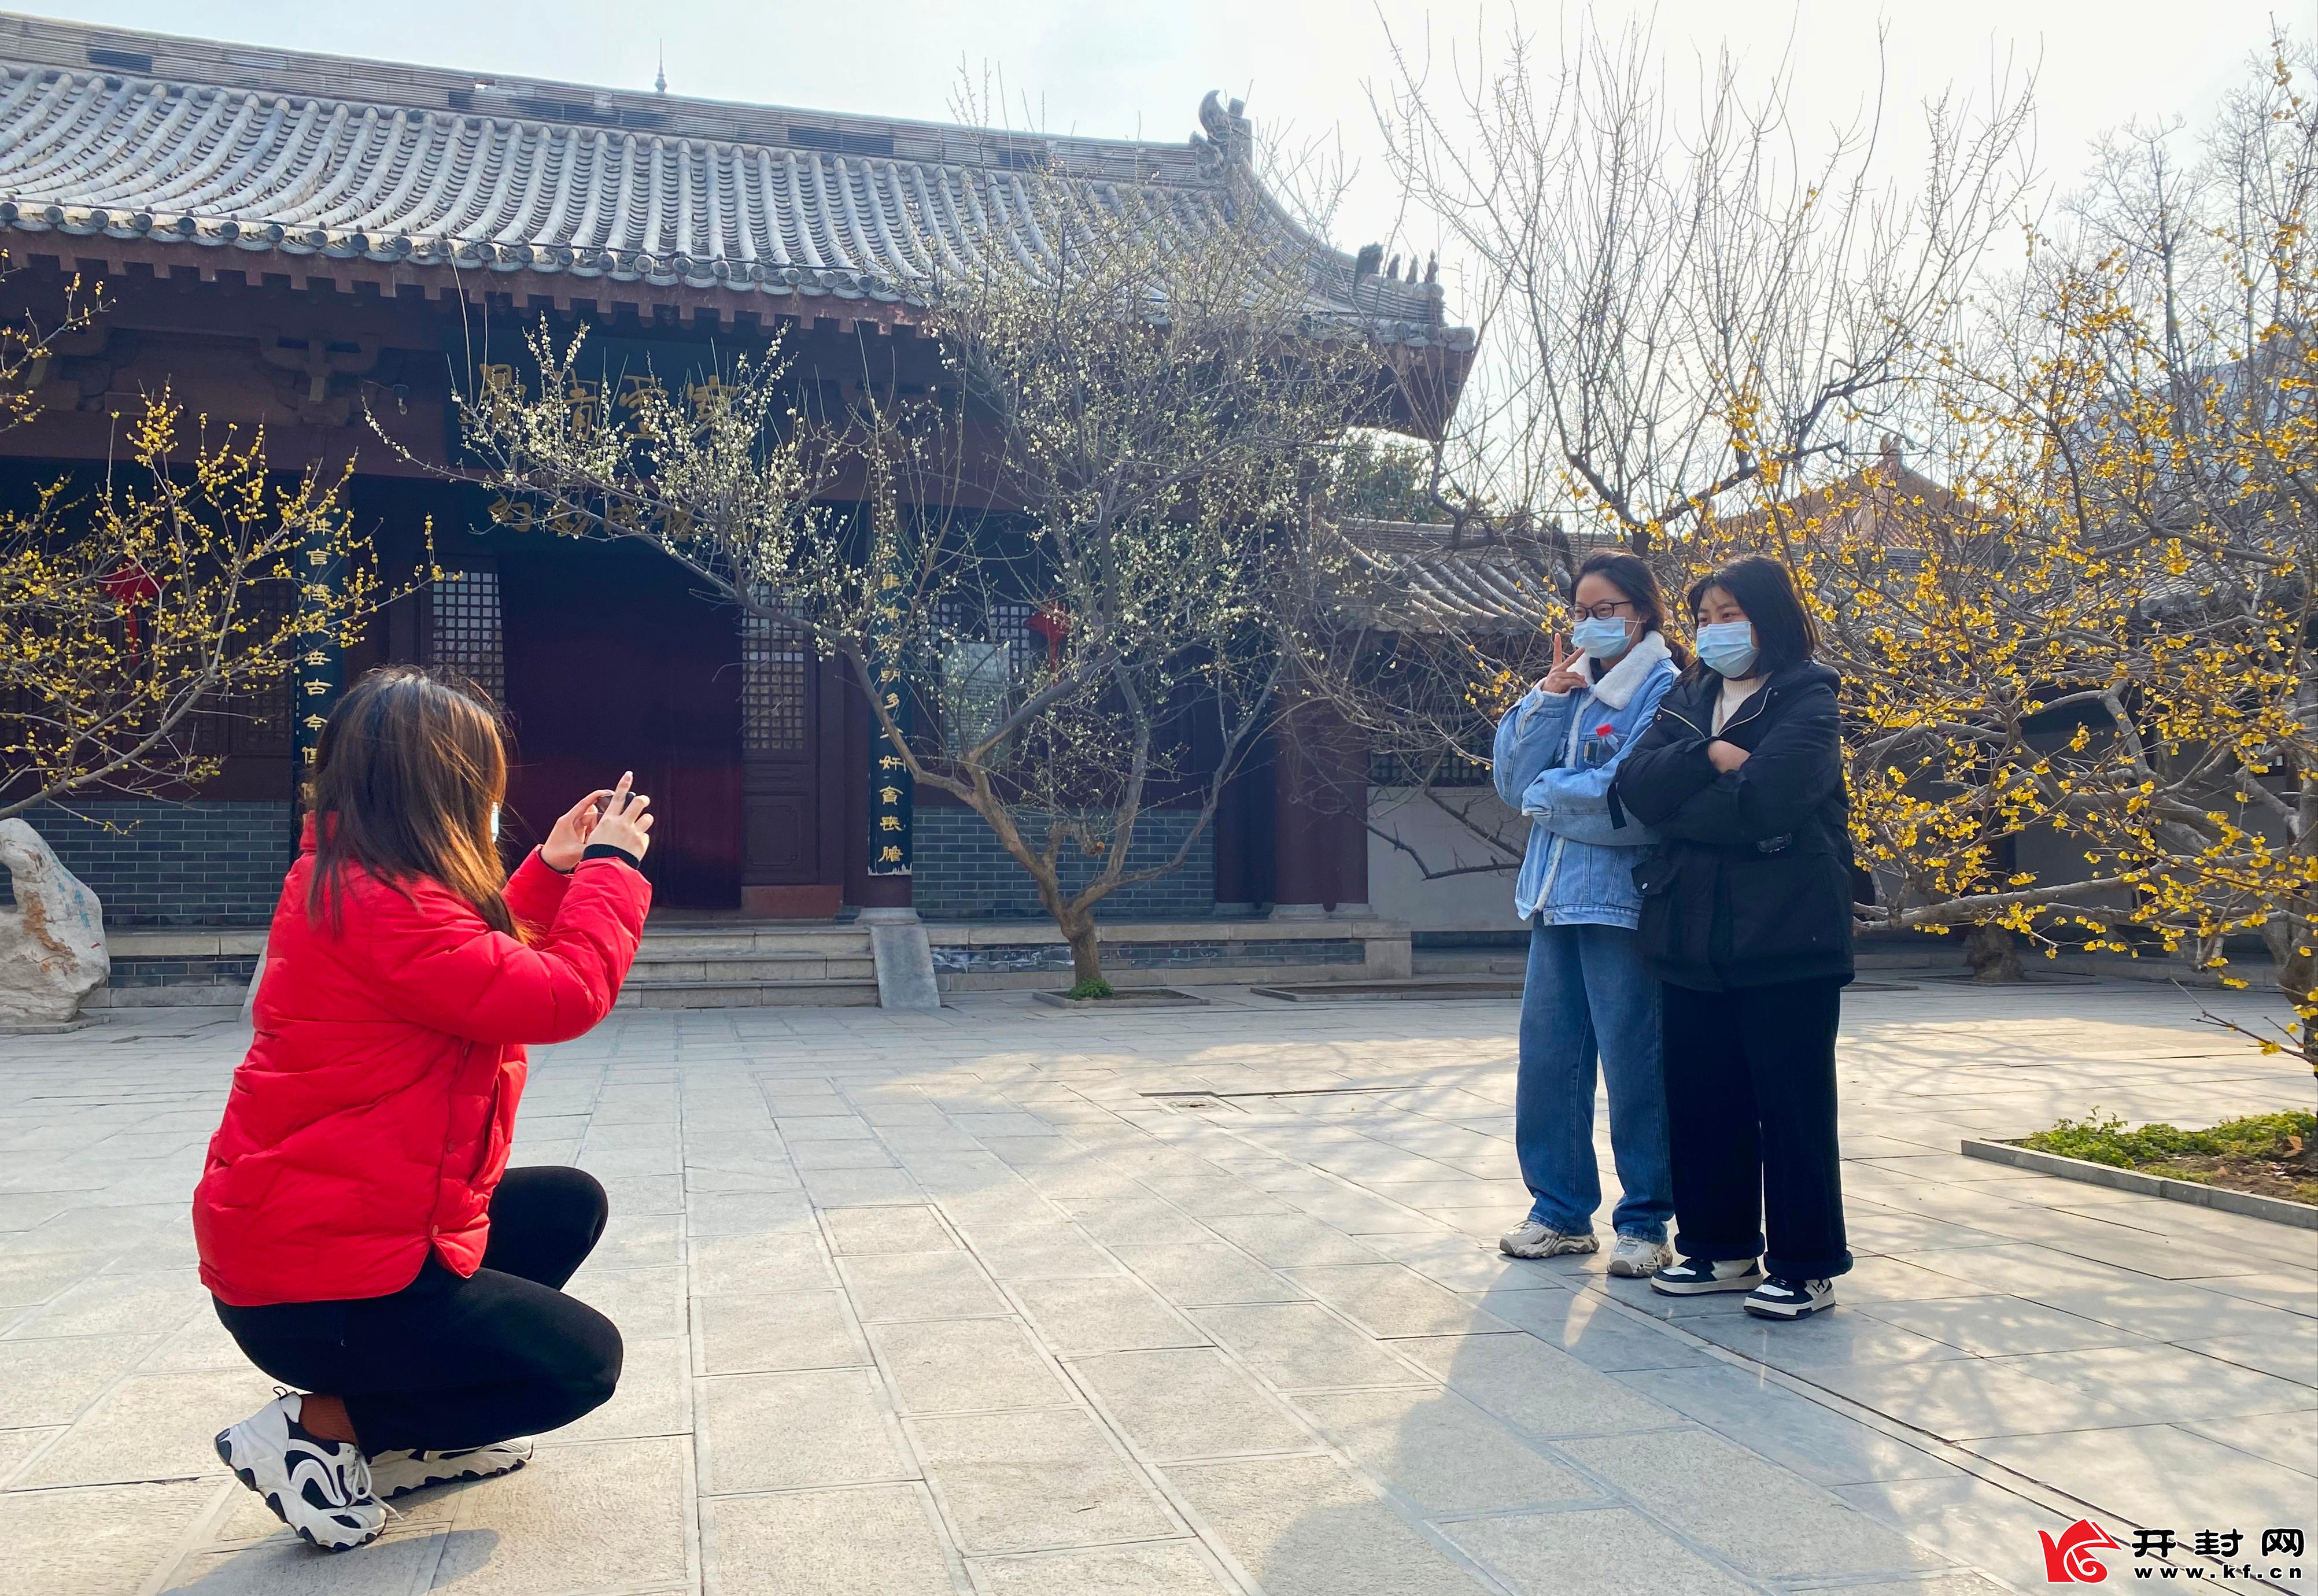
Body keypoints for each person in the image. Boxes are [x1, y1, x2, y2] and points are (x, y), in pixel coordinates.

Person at [193, 666, 657, 1551]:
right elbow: (560, 996)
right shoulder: (388, 905)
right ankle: (325, 1432)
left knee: (565, 1204)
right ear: (443, 787)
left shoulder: (358, 881)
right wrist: (609, 871)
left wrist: (551, 872)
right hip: (318, 1290)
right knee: (582, 1365)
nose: (493, 796)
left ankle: (390, 1432)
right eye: (481, 779)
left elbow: (469, 969)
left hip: (315, 1247)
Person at [1612, 554, 1855, 1320]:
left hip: (1786, 933)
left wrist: (1686, 806)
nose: (1715, 630)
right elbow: (1637, 782)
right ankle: (1718, 1247)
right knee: (1702, 1096)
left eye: (1730, 615)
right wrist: (1711, 756)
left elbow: (1770, 801)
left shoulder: (1809, 698)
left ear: (1770, 616)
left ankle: (1803, 1264)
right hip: (1693, 933)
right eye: (1706, 617)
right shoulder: (1692, 695)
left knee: (1790, 1103)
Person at [1492, 551, 1683, 1276]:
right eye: (1582, 610)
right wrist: (1546, 694)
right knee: (1548, 1063)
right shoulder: (1571, 686)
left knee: (1637, 1065)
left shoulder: (1664, 690)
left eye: (1607, 609)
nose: (1592, 622)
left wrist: (1546, 798)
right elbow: (1510, 776)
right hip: (1552, 901)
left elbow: (1631, 799)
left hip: (1622, 905)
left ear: (1642, 610)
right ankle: (1560, 1212)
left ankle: (1646, 1220)